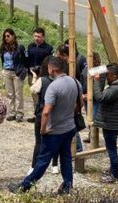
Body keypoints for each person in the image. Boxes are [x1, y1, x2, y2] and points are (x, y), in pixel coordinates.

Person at [9, 55, 80, 194]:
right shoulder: (74, 82)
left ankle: (25, 186)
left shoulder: (53, 87)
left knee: (43, 160)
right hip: (69, 127)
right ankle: (67, 185)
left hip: (54, 131)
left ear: (52, 69)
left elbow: (46, 112)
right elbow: (79, 104)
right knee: (65, 157)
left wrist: (43, 129)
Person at [94, 62, 118, 184]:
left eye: (108, 75)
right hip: (116, 123)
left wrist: (96, 81)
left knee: (112, 150)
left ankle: (114, 175)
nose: (107, 78)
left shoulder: (115, 89)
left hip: (111, 124)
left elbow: (100, 97)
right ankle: (112, 169)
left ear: (114, 76)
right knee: (112, 148)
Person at [0, 28, 28, 122]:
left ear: (13, 36)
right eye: (5, 36)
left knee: (18, 94)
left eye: (8, 36)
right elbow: (2, 58)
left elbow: (25, 60)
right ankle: (12, 112)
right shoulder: (3, 47)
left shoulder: (19, 47)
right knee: (10, 94)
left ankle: (19, 113)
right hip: (7, 71)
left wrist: (24, 70)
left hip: (17, 72)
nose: (6, 38)